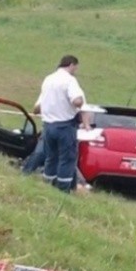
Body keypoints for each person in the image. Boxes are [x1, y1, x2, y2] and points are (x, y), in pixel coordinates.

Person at [33, 55, 88, 193]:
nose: (75, 70)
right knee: (67, 159)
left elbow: (36, 109)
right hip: (65, 126)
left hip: (48, 126)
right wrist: (81, 100)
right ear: (71, 65)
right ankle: (62, 190)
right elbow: (77, 101)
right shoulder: (69, 80)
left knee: (51, 157)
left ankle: (47, 186)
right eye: (75, 67)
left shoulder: (48, 80)